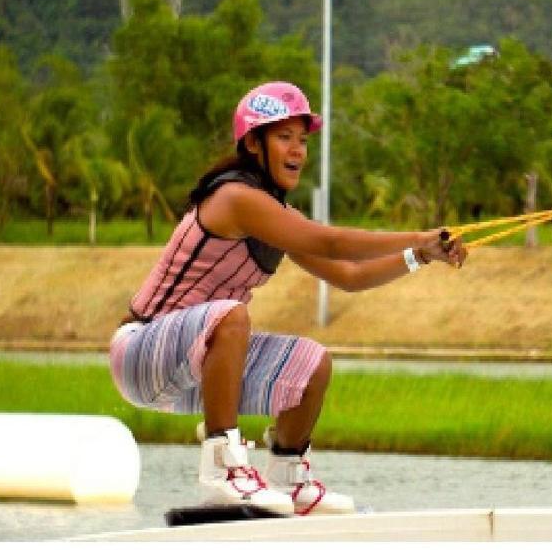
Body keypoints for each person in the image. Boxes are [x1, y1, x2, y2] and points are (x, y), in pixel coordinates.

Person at [109, 81, 467, 517]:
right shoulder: (236, 198)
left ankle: (287, 478)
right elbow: (333, 243)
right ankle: (223, 471)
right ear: (254, 144)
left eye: (302, 139)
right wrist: (417, 234)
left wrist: (419, 255)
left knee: (313, 363)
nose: (297, 150)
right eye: (284, 138)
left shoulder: (276, 215)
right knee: (232, 316)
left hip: (194, 366)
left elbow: (349, 276)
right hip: (140, 353)